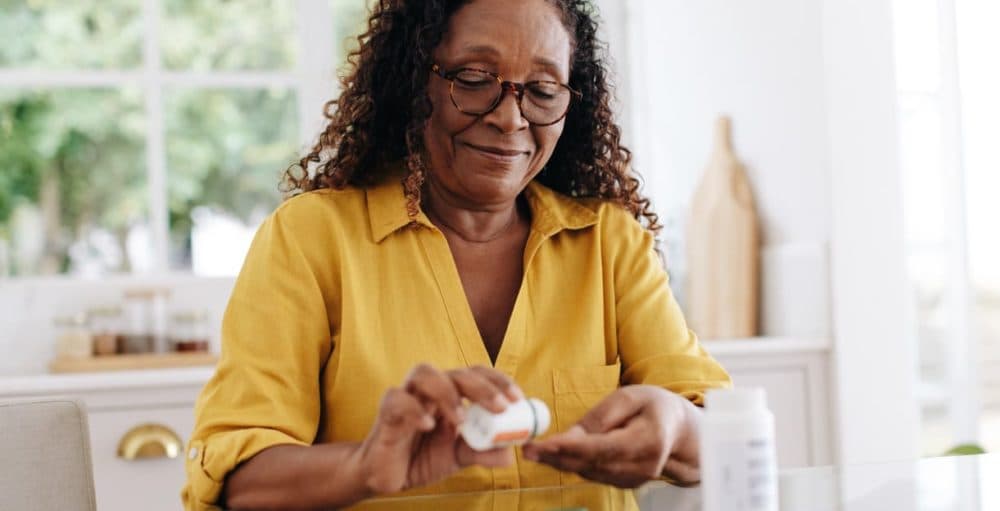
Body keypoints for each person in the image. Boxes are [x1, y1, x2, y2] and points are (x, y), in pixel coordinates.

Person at [182, 0, 731, 509]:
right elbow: (239, 477)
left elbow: (722, 429)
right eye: (474, 80)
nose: (511, 119)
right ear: (414, 80)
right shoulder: (312, 238)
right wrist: (364, 465)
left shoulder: (609, 243)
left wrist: (676, 426)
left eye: (542, 90)